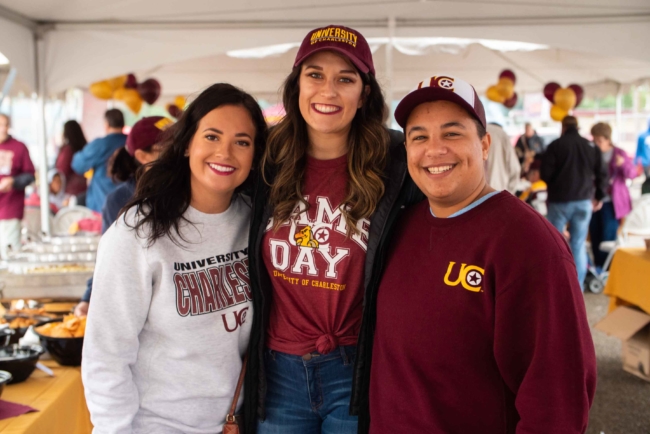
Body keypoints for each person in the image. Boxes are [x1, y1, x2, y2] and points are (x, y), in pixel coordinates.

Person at [360, 74, 596, 433]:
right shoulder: (398, 225)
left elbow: (557, 399)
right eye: (419, 137)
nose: (434, 150)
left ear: (485, 145)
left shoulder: (529, 244)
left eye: (452, 134)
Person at [244, 24, 421, 434]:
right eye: (315, 75)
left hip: (357, 366)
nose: (328, 90)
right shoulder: (267, 158)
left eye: (345, 79)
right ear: (297, 87)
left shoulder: (397, 162)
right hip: (278, 371)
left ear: (364, 94)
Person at [83, 84, 267, 433]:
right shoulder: (138, 232)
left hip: (231, 424)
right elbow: (106, 353)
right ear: (186, 144)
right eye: (212, 136)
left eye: (242, 142)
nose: (225, 152)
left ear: (256, 154)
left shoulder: (257, 223)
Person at [74, 116, 169, 318]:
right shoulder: (120, 201)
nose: (181, 153)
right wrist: (89, 298)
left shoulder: (190, 193)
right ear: (143, 156)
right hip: (137, 306)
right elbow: (108, 258)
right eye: (167, 148)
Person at [541, 116, 607, 287]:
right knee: (578, 244)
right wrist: (599, 196)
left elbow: (545, 174)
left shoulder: (555, 145)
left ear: (563, 127)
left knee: (556, 244)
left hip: (559, 201)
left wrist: (557, 183)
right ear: (577, 127)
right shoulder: (590, 146)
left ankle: (557, 285)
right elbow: (602, 174)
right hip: (583, 201)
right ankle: (577, 286)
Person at [589, 122, 637, 269]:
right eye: (594, 140)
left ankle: (608, 269)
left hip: (612, 202)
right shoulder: (592, 153)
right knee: (594, 234)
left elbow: (632, 174)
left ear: (608, 139)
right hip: (595, 200)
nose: (597, 143)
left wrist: (623, 164)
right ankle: (598, 268)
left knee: (608, 234)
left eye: (600, 140)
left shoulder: (619, 153)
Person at [72, 109, 127, 212]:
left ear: (106, 124)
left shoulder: (100, 145)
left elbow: (77, 164)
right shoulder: (131, 143)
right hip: (129, 205)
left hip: (101, 205)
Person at [0, 113, 35, 258]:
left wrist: (13, 181)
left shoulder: (19, 147)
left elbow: (30, 176)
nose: (3, 129)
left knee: (10, 254)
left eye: (5, 125)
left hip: (10, 208)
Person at [486, 122, 520, 194]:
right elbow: (515, 169)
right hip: (499, 191)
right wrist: (509, 193)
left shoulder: (477, 130)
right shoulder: (502, 134)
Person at [56, 120, 88, 196]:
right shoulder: (85, 148)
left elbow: (62, 171)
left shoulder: (68, 150)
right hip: (85, 190)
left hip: (70, 192)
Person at [636, 118, 650, 194]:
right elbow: (638, 150)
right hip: (645, 163)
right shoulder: (642, 136)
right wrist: (636, 163)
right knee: (648, 181)